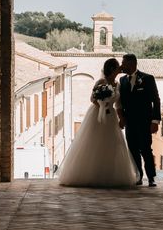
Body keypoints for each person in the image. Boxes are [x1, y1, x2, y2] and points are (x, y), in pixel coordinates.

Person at [58, 58, 138, 187]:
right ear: (112, 69)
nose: (120, 68)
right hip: (97, 114)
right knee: (95, 142)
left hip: (111, 116)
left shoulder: (118, 84)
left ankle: (109, 174)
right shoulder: (101, 81)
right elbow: (92, 98)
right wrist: (102, 106)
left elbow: (118, 104)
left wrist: (121, 118)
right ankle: (91, 174)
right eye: (118, 67)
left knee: (112, 144)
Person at [117, 53, 161, 187]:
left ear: (132, 64)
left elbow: (156, 100)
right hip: (130, 122)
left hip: (144, 122)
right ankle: (138, 176)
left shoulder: (147, 79)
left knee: (146, 150)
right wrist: (122, 118)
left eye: (124, 63)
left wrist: (155, 121)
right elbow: (121, 102)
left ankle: (151, 177)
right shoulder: (122, 80)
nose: (122, 65)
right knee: (133, 150)